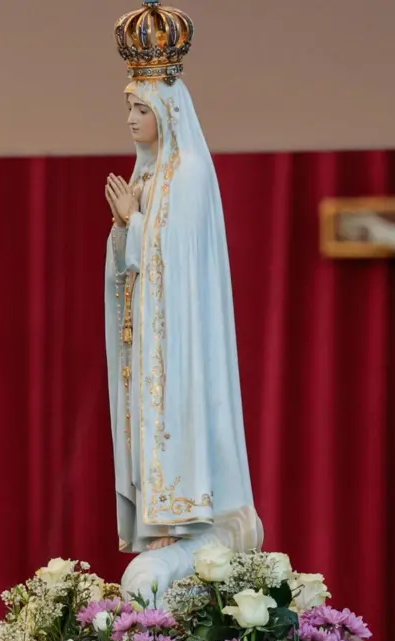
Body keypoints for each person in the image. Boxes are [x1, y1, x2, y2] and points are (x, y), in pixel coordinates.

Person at [104, 0, 264, 601]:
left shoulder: (189, 171)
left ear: (168, 112)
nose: (131, 120)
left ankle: (192, 514)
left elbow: (181, 266)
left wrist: (136, 226)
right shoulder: (150, 173)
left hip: (181, 344)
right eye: (128, 108)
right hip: (151, 342)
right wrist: (126, 230)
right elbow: (135, 264)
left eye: (140, 109)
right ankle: (164, 523)